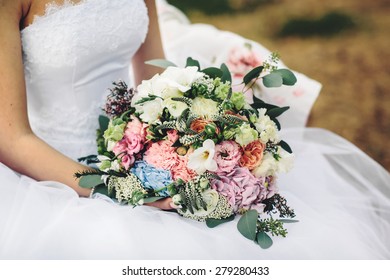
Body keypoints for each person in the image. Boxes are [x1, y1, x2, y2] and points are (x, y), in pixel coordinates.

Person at [0, 0, 389, 259]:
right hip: (53, 173)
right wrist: (118, 189)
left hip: (140, 152)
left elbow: (153, 79)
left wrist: (197, 136)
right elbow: (10, 137)